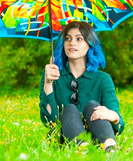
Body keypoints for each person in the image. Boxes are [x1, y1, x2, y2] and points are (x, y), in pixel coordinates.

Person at [39, 21, 124, 152]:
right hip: (66, 142)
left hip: (99, 138)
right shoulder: (52, 75)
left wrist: (113, 115)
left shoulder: (103, 79)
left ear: (90, 44)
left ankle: (110, 148)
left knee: (93, 106)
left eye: (79, 39)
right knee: (70, 109)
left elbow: (119, 124)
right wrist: (48, 83)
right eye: (68, 38)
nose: (72, 43)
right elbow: (50, 121)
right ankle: (82, 151)